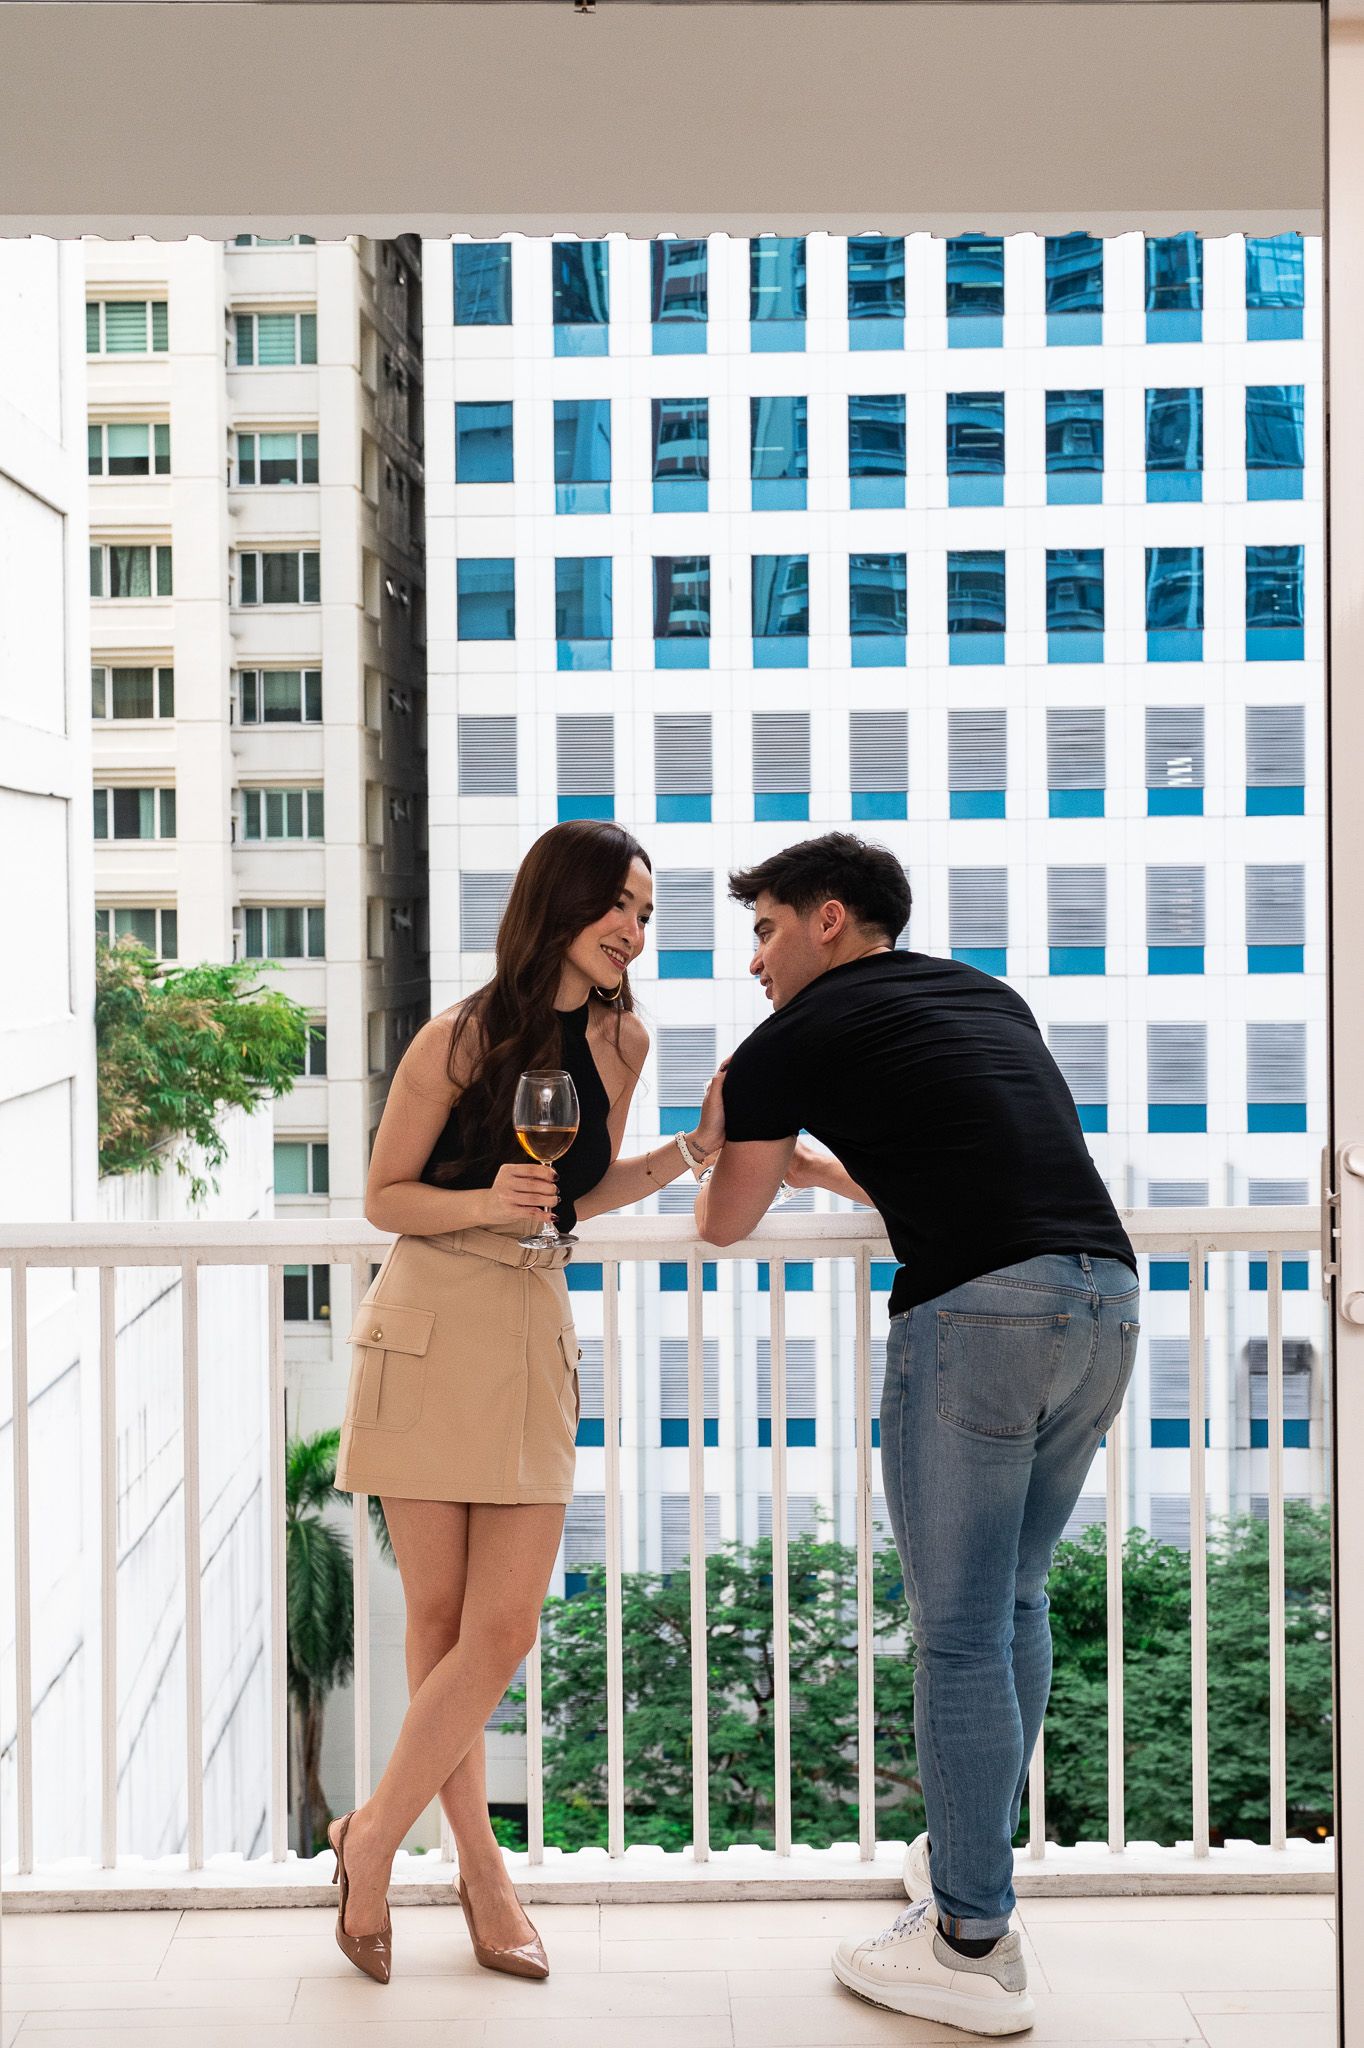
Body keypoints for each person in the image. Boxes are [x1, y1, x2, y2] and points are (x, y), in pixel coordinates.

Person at [696, 832, 1139, 2040]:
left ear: (828, 918)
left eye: (767, 929)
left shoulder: (791, 1035)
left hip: (980, 1313)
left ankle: (969, 1942)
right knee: (1017, 1604)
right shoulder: (981, 995)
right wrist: (826, 1175)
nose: (755, 960)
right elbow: (953, 1160)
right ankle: (967, 1861)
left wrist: (719, 1131)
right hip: (1102, 1296)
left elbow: (723, 1223)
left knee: (954, 1631)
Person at [328, 819, 725, 1985]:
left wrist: (684, 1157)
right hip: (432, 1317)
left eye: (648, 913)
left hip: (528, 1328)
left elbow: (573, 1195)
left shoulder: (623, 1036)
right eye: (622, 904)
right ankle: (480, 1867)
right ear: (563, 901)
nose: (635, 929)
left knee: (502, 1627)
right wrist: (482, 1200)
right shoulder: (458, 1036)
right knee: (442, 1625)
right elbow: (382, 1196)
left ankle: (369, 1837)